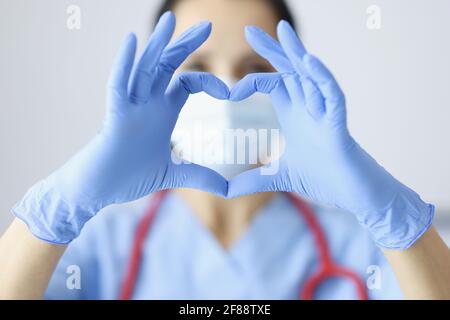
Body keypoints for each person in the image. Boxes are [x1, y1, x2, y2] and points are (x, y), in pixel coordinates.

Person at [1, 0, 450, 300]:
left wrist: (389, 211)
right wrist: (64, 203)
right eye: (196, 66)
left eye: (256, 68)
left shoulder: (361, 249)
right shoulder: (97, 249)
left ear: (294, 82)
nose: (229, 91)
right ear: (155, 82)